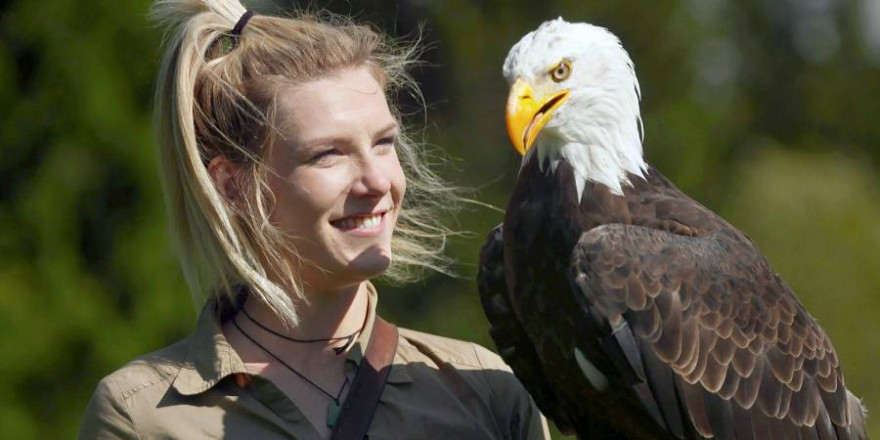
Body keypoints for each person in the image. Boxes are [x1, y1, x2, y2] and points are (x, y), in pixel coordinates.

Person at [78, 0, 549, 439]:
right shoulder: (142, 416)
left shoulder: (486, 392)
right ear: (232, 186)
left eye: (383, 143)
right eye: (328, 154)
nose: (377, 181)